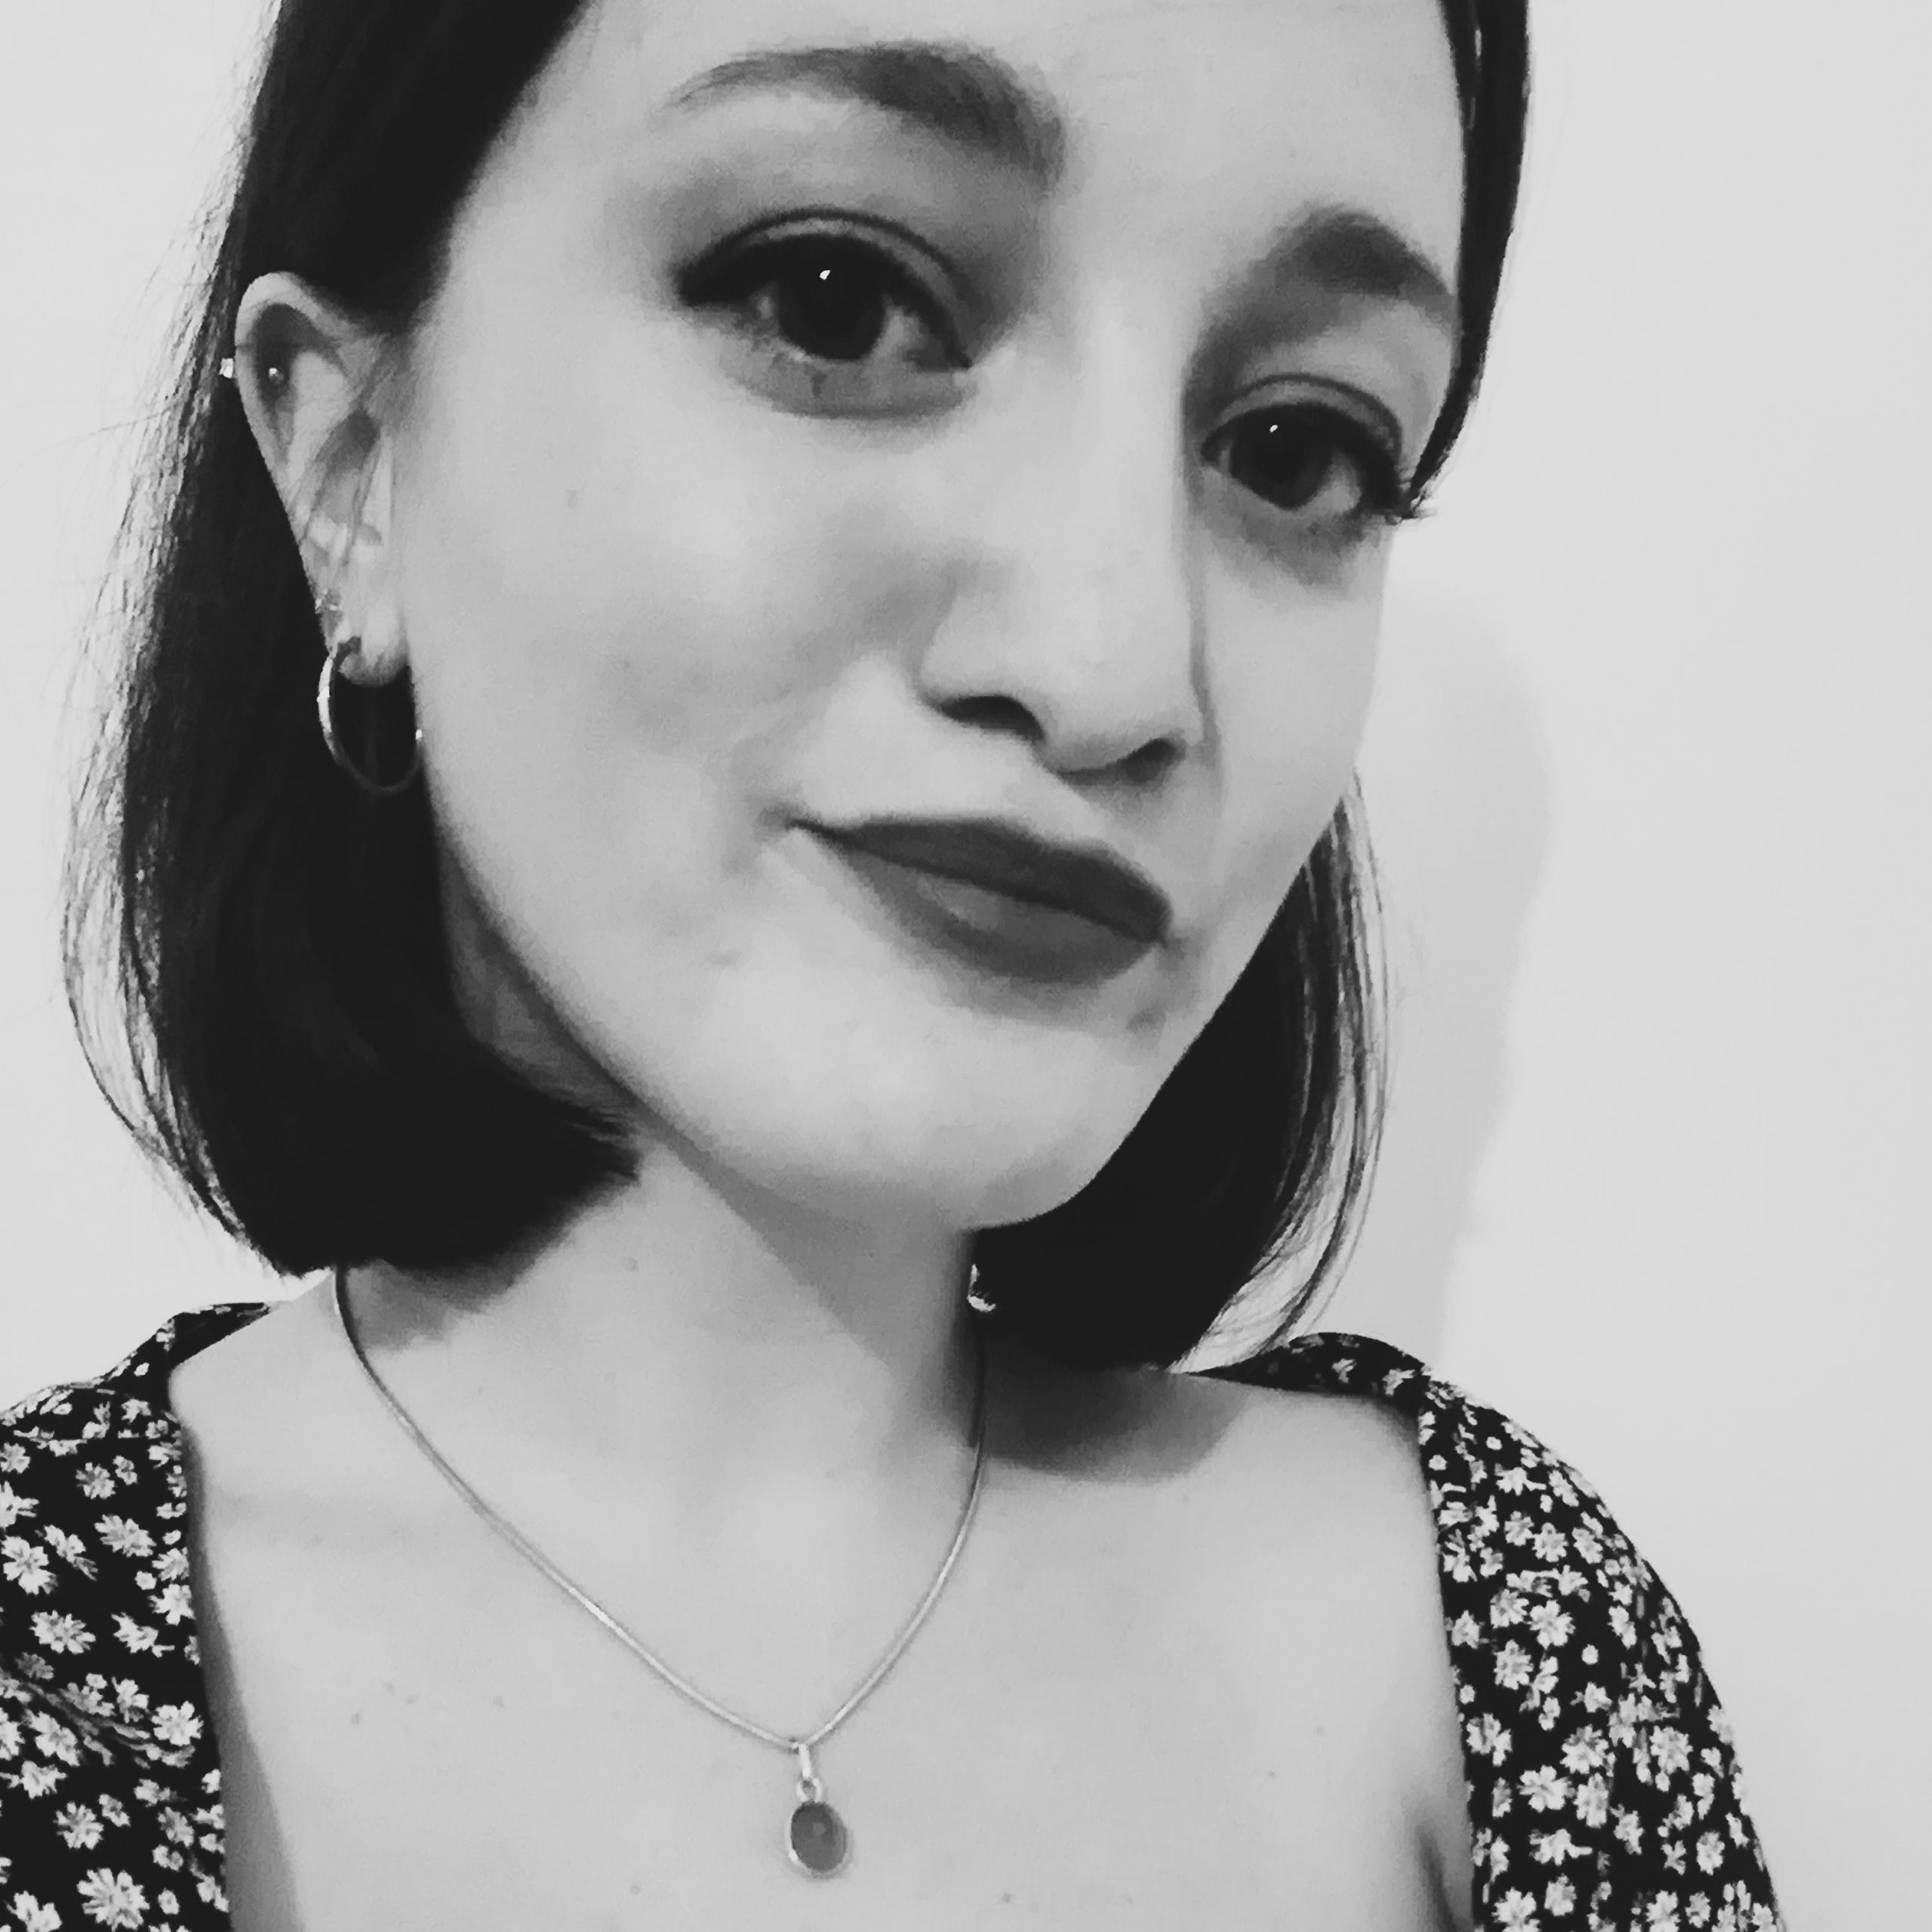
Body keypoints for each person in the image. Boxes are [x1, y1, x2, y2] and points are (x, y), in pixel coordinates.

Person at [0, 0, 1785, 1925]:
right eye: (836, 301)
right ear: (351, 459)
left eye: (1296, 448)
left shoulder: (1495, 1643)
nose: (1110, 666)